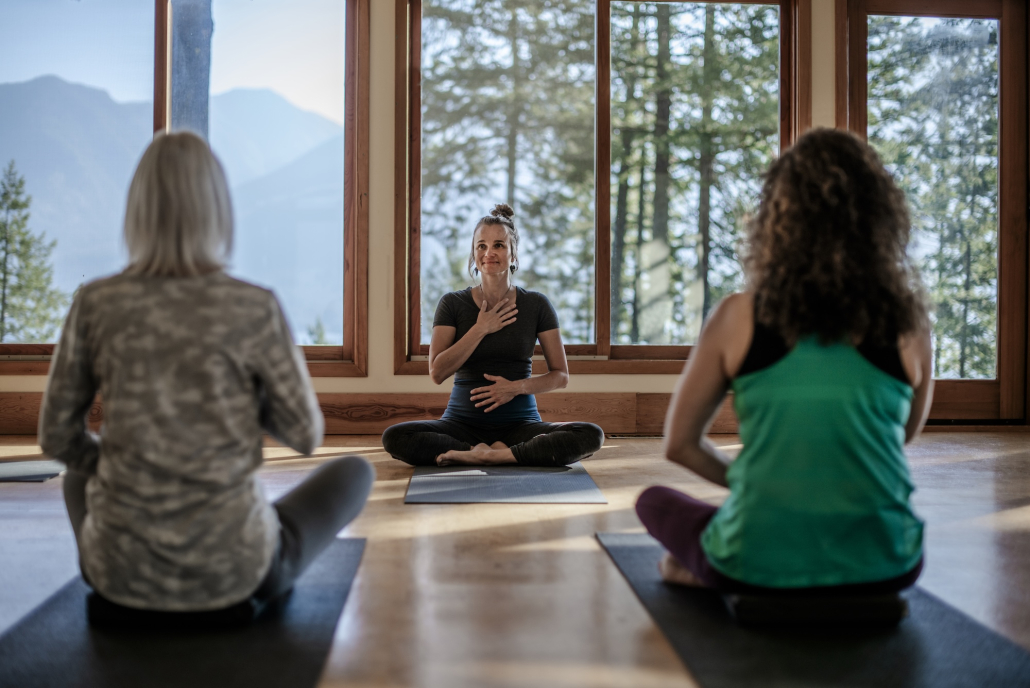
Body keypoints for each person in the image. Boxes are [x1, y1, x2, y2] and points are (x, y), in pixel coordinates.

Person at [38, 131, 373, 617]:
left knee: (76, 478)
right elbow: (305, 433)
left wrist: (121, 467)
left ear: (137, 210)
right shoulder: (253, 305)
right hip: (234, 573)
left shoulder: (97, 302)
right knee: (356, 471)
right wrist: (242, 403)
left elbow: (56, 436)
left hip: (115, 574)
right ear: (217, 209)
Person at [637, 128, 933, 595]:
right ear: (879, 218)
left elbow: (681, 445)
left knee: (655, 504)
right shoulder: (909, 323)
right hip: (889, 563)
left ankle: (704, 566)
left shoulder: (738, 316)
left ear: (777, 218)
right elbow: (904, 434)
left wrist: (767, 492)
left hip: (757, 557)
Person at [382, 204, 604, 467]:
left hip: (520, 425)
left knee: (591, 434)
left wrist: (515, 387)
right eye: (481, 246)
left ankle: (491, 454)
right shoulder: (452, 304)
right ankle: (495, 451)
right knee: (396, 437)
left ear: (513, 254)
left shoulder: (536, 304)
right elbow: (437, 372)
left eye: (498, 245)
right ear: (474, 253)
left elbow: (561, 376)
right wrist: (480, 329)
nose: (489, 253)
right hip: (461, 423)